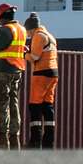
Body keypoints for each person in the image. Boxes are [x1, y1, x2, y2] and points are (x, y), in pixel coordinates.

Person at [0, 4, 27, 149]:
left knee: (1, 103)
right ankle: (14, 138)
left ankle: (3, 137)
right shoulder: (21, 29)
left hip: (3, 70)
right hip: (17, 70)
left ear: (0, 17)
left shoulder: (6, 30)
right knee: (13, 103)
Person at [25, 12, 59, 149]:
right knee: (47, 107)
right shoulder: (50, 36)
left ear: (31, 28)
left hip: (41, 74)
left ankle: (35, 140)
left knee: (35, 106)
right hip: (53, 74)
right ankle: (48, 142)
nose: (28, 35)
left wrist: (24, 54)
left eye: (28, 32)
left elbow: (34, 57)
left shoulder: (38, 36)